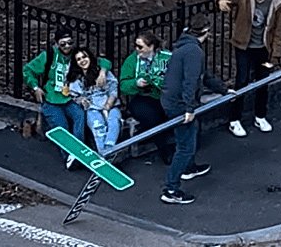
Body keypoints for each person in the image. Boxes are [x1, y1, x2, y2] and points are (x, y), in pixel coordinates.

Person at [160, 13, 233, 204]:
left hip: (172, 100)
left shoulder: (185, 46)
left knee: (189, 135)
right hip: (180, 104)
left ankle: (189, 167)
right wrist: (189, 108)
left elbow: (204, 74)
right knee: (185, 146)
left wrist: (224, 90)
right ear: (206, 31)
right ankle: (171, 188)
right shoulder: (194, 52)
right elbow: (191, 82)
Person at [23, 26, 112, 170]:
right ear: (57, 43)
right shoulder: (49, 56)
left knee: (79, 117)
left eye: (70, 43)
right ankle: (69, 157)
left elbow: (103, 61)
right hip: (52, 99)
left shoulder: (76, 55)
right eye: (63, 44)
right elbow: (28, 70)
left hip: (71, 98)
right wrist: (35, 87)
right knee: (61, 127)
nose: (67, 47)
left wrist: (102, 72)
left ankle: (78, 153)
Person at [216, 0, 281, 137]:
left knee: (262, 82)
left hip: (262, 48)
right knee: (242, 80)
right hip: (244, 47)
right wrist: (221, 3)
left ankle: (260, 116)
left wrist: (275, 54)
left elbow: (279, 30)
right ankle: (235, 119)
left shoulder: (276, 2)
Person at [119, 31, 176, 165]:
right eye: (136, 46)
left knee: (172, 109)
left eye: (140, 47)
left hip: (164, 95)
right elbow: (123, 85)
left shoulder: (166, 57)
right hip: (142, 97)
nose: (137, 50)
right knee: (151, 116)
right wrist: (136, 83)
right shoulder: (132, 60)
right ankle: (165, 150)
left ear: (151, 47)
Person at [67, 47, 121, 155]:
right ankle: (103, 153)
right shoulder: (77, 79)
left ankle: (109, 149)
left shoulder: (102, 72)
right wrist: (82, 101)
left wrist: (107, 106)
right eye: (79, 59)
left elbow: (113, 90)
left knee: (114, 121)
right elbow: (74, 95)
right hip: (92, 108)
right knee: (97, 126)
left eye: (84, 57)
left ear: (89, 57)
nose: (82, 61)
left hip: (110, 105)